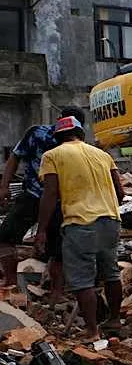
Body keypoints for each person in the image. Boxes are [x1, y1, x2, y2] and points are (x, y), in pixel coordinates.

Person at [35, 115, 124, 340]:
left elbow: (50, 193)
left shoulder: (52, 156)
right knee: (111, 273)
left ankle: (92, 330)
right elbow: (120, 192)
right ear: (81, 133)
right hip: (111, 220)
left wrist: (42, 230)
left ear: (58, 137)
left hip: (80, 223)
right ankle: (115, 320)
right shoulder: (102, 155)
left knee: (82, 280)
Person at [0, 106, 85, 299]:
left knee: (58, 249)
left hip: (59, 202)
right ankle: (12, 284)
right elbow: (15, 156)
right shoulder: (37, 134)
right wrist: (4, 186)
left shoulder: (78, 146)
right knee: (6, 236)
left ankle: (56, 292)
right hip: (33, 195)